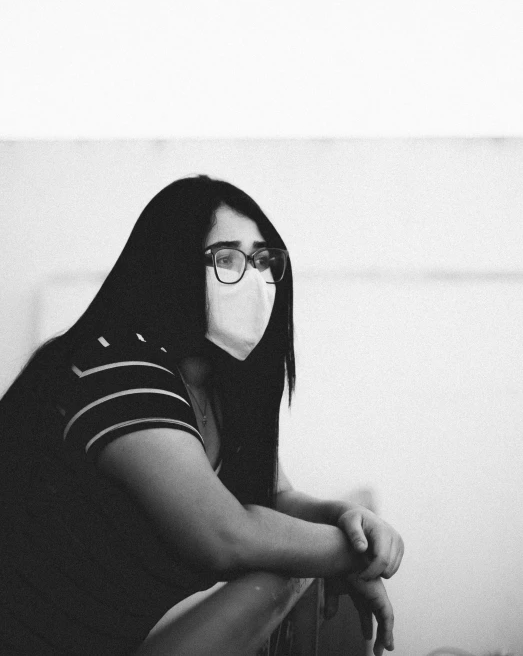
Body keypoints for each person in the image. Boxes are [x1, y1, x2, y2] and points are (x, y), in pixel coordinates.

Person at [0, 175, 404, 656]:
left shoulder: (215, 384)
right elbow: (221, 534)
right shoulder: (117, 366)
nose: (255, 280)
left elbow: (274, 495)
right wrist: (353, 557)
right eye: (228, 259)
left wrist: (345, 517)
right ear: (169, 267)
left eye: (264, 261)